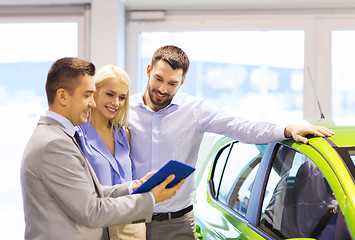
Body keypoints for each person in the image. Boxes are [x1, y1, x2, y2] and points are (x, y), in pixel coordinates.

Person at [128, 45, 335, 240]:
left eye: (172, 83)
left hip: (177, 224)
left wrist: (287, 129)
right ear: (148, 70)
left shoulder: (195, 111)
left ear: (182, 82)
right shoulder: (125, 110)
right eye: (158, 78)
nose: (163, 89)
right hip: (129, 220)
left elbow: (242, 127)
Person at [20, 57, 184, 240]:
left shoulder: (60, 136)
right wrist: (151, 198)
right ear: (62, 96)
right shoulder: (54, 144)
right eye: (87, 95)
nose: (92, 103)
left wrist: (134, 186)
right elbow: (92, 210)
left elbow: (91, 193)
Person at [75, 64, 146, 239]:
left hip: (127, 226)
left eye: (122, 97)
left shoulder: (124, 135)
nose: (116, 103)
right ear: (94, 92)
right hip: (94, 228)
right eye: (110, 94)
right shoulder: (77, 135)